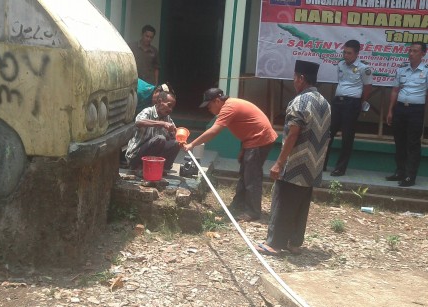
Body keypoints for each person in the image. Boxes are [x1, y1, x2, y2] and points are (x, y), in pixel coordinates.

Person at [255, 60, 330, 256]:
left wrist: (279, 163)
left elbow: (293, 134)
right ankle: (294, 242)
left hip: (296, 162)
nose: (293, 81)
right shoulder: (325, 102)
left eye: (295, 77)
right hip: (314, 164)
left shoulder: (299, 101)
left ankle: (275, 243)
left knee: (283, 201)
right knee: (301, 204)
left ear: (301, 78)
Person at [183, 88, 278, 222]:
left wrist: (192, 144)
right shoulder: (230, 105)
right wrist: (244, 148)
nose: (209, 109)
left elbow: (214, 131)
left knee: (251, 177)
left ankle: (253, 212)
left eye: (209, 106)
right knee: (244, 174)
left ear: (217, 101)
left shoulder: (229, 107)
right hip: (252, 140)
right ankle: (238, 204)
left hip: (259, 139)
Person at [386, 42, 428, 187]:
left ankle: (410, 176)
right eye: (410, 50)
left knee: (413, 143)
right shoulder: (402, 69)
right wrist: (391, 110)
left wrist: (421, 105)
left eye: (415, 51)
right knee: (399, 141)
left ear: (423, 54)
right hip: (400, 108)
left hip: (416, 110)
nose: (411, 53)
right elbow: (395, 90)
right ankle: (400, 172)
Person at [325, 39, 373, 176]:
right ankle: (322, 163)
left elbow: (368, 88)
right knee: (328, 133)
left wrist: (360, 103)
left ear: (357, 53)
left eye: (349, 53)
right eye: (344, 52)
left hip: (352, 103)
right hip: (337, 102)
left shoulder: (364, 68)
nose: (346, 55)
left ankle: (340, 168)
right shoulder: (340, 64)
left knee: (347, 136)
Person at [125, 91, 179, 174]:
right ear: (160, 101)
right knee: (160, 139)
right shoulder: (148, 111)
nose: (170, 109)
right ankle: (139, 168)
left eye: (172, 107)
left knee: (176, 143)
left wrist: (174, 135)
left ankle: (161, 170)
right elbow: (139, 122)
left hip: (152, 155)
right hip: (135, 155)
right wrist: (162, 124)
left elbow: (173, 136)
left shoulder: (167, 118)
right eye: (169, 105)